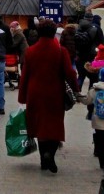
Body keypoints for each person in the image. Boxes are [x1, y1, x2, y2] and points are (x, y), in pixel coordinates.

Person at [18, 19, 79, 173]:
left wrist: (22, 96)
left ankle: (43, 160)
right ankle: (50, 155)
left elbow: (24, 75)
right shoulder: (61, 51)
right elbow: (69, 73)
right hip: (55, 93)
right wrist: (76, 89)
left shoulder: (30, 51)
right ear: (54, 33)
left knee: (39, 126)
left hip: (35, 93)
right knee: (54, 125)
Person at [78, 65, 104, 177]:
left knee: (100, 144)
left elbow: (87, 101)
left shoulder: (95, 90)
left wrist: (78, 97)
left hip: (98, 122)